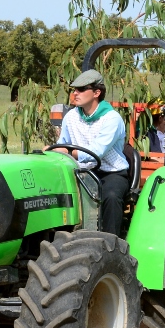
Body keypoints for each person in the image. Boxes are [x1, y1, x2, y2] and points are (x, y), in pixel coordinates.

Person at [55, 70, 129, 237]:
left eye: (81, 89)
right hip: (81, 171)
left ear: (96, 92)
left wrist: (66, 151)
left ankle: (112, 244)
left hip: (110, 172)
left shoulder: (111, 119)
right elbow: (62, 143)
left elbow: (96, 152)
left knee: (110, 196)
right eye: (74, 89)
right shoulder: (71, 117)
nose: (75, 93)